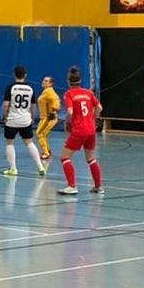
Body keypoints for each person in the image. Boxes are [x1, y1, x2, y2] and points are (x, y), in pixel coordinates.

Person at [58, 66, 103, 195]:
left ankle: (72, 186)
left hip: (79, 129)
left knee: (64, 157)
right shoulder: (88, 93)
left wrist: (68, 123)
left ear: (68, 81)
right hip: (91, 129)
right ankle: (99, 186)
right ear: (80, 80)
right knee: (91, 158)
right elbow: (99, 107)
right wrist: (93, 119)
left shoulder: (69, 94)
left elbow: (70, 111)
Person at [1, 65, 46, 176]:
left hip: (12, 119)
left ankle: (13, 169)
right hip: (25, 120)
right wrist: (32, 117)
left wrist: (4, 116)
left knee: (10, 143)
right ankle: (40, 166)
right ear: (25, 75)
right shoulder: (30, 88)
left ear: (14, 74)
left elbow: (6, 104)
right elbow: (34, 105)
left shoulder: (10, 87)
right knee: (29, 142)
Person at [36, 75, 61, 159]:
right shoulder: (46, 91)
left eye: (46, 81)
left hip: (48, 118)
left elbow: (56, 100)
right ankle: (47, 151)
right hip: (44, 118)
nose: (43, 82)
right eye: (43, 80)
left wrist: (54, 111)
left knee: (40, 134)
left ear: (51, 84)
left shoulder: (50, 91)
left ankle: (46, 153)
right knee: (42, 135)